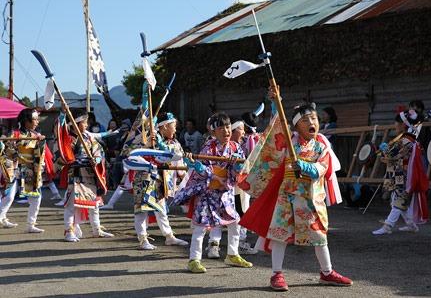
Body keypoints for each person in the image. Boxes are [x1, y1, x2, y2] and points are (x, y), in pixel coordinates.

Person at [239, 101, 352, 291]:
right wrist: (276, 102)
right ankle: (276, 274)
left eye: (314, 118)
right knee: (279, 235)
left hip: (311, 198)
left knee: (319, 236)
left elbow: (321, 168)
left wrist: (306, 166)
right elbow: (276, 131)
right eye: (306, 119)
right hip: (287, 196)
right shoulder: (288, 141)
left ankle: (326, 272)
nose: (312, 122)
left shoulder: (321, 146)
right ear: (297, 125)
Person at [174, 113, 253, 273]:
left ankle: (232, 254)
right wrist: (196, 165)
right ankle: (193, 259)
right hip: (209, 192)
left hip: (226, 192)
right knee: (201, 227)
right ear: (213, 132)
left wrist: (237, 165)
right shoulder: (208, 147)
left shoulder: (235, 147)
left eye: (228, 126)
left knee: (235, 222)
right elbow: (202, 169)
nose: (226, 130)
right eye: (221, 127)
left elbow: (241, 168)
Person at [131, 112, 188, 250]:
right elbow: (130, 151)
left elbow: (176, 155)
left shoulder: (173, 142)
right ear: (165, 127)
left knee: (161, 210)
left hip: (160, 180)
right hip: (144, 178)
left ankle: (169, 236)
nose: (175, 129)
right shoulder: (146, 138)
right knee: (142, 210)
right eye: (173, 126)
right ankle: (142, 238)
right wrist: (146, 144)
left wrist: (160, 144)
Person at [57, 108, 114, 242]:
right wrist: (62, 115)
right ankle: (68, 231)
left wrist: (97, 160)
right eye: (84, 122)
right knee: (71, 206)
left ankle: (96, 229)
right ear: (76, 124)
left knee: (94, 205)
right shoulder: (70, 138)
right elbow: (64, 149)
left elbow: (99, 152)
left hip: (90, 175)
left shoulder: (88, 137)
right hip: (76, 175)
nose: (87, 125)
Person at [372, 109, 429, 235]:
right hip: (398, 172)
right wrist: (385, 152)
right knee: (396, 199)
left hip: (402, 174)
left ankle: (388, 225)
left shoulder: (408, 138)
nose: (394, 125)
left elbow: (393, 154)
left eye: (396, 123)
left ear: (403, 124)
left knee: (399, 199)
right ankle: (411, 225)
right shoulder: (406, 137)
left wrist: (385, 151)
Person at [0, 108, 46, 232]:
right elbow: (5, 148)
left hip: (29, 170)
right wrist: (4, 143)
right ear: (27, 121)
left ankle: (31, 225)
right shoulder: (13, 134)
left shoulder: (36, 136)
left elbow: (40, 154)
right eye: (35, 119)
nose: (37, 121)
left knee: (35, 198)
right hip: (14, 167)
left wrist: (40, 143)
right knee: (9, 196)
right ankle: (1, 216)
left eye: (37, 119)